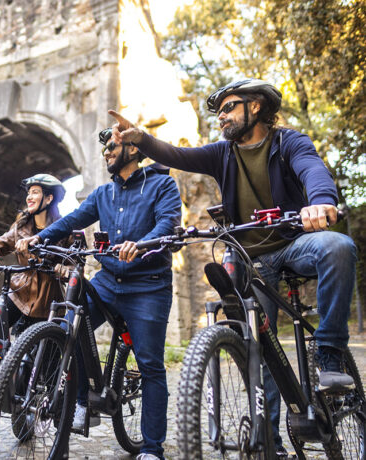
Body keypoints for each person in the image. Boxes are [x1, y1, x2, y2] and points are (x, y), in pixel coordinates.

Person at [108, 78, 357, 457]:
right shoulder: (222, 153)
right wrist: (141, 139)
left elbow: (312, 170)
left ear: (255, 107)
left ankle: (329, 352)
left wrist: (320, 202)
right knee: (261, 349)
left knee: (338, 246)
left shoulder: (288, 142)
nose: (221, 116)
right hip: (250, 260)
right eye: (219, 110)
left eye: (229, 107)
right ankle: (270, 445)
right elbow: (177, 155)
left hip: (291, 246)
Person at [17, 130, 182, 460]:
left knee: (150, 365)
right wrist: (39, 238)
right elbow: (75, 220)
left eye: (112, 147)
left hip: (149, 283)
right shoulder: (103, 193)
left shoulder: (162, 184)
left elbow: (167, 223)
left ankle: (151, 449)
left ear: (134, 149)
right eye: (104, 148)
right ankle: (80, 401)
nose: (106, 153)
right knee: (68, 329)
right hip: (108, 279)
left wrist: (143, 244)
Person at [0, 174, 69, 335]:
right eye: (28, 193)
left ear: (49, 198)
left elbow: (76, 264)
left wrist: (65, 269)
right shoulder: (20, 227)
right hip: (19, 293)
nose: (29, 197)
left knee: (45, 354)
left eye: (35, 192)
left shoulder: (66, 230)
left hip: (49, 301)